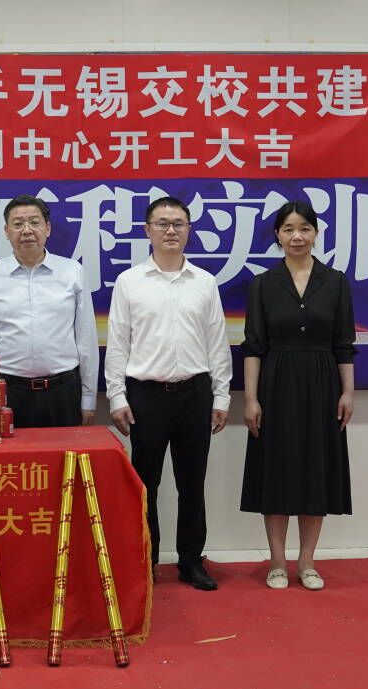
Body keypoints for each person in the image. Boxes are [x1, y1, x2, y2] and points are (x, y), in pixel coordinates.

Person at [105, 196, 231, 590]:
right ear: (148, 231)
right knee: (146, 484)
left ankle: (191, 561)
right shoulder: (129, 282)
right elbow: (118, 343)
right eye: (162, 223)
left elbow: (217, 343)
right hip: (146, 396)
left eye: (178, 223)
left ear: (189, 230)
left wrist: (221, 397)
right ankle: (146, 560)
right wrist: (116, 397)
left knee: (192, 484)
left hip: (195, 394)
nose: (170, 230)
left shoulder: (204, 282)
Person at [240, 200, 356, 591]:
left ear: (316, 233)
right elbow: (253, 346)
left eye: (304, 228)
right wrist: (251, 399)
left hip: (323, 386)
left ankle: (307, 562)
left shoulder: (335, 282)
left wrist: (347, 393)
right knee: (276, 472)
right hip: (275, 385)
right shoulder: (263, 284)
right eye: (288, 229)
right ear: (277, 235)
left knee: (315, 473)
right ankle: (277, 562)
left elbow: (344, 344)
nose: (297, 236)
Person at [0, 195, 98, 427]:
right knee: (12, 452)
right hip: (7, 392)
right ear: (6, 231)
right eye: (18, 224)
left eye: (34, 223)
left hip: (62, 391)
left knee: (64, 450)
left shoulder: (72, 272)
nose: (27, 230)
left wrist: (88, 398)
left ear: (48, 228)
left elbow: (86, 339)